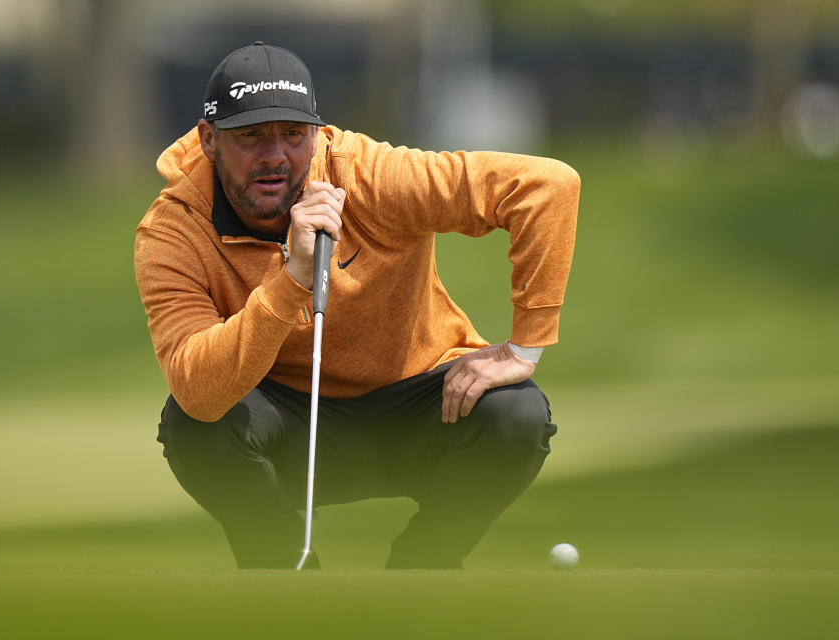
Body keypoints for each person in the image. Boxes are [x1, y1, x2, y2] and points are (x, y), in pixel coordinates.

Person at [134, 42, 580, 569]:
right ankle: (285, 577)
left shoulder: (370, 176)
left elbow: (547, 187)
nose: (274, 155)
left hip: (418, 409)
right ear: (209, 140)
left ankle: (422, 569)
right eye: (251, 136)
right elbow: (198, 391)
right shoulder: (173, 232)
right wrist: (292, 279)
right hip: (290, 429)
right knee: (192, 427)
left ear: (319, 135)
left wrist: (525, 347)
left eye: (292, 135)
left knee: (517, 416)